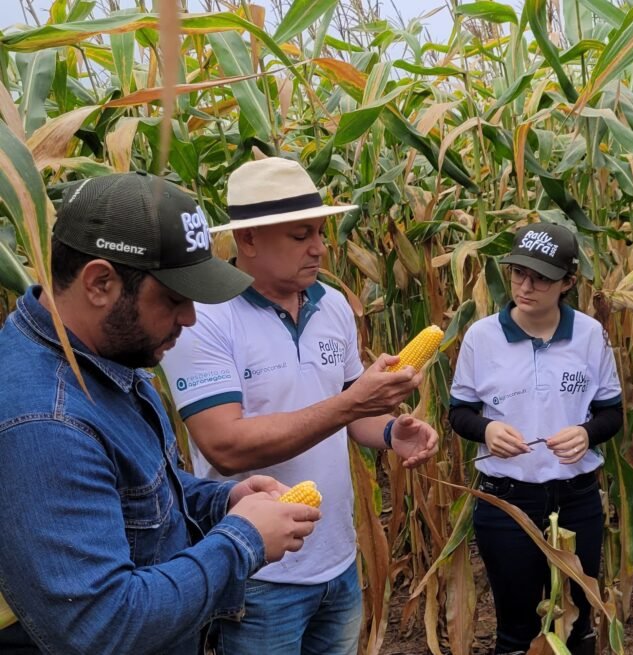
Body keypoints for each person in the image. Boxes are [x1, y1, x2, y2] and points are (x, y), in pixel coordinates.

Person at [0, 172, 321, 654]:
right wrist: (243, 540)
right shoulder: (46, 422)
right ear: (100, 282)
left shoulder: (106, 357)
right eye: (173, 299)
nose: (190, 318)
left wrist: (222, 500)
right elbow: (102, 627)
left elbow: (135, 495)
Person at [159, 156, 439, 655]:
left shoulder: (330, 304)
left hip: (337, 563)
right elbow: (225, 447)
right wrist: (352, 404)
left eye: (319, 232)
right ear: (247, 240)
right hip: (258, 575)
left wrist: (394, 432)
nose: (319, 248)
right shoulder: (204, 319)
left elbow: (357, 412)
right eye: (300, 235)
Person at [448, 223, 623, 655]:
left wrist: (586, 434)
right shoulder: (481, 337)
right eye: (517, 274)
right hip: (506, 501)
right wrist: (486, 429)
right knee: (516, 628)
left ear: (568, 281)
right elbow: (459, 413)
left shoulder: (589, 334)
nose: (525, 287)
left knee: (577, 621)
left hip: (577, 499)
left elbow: (612, 414)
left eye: (541, 278)